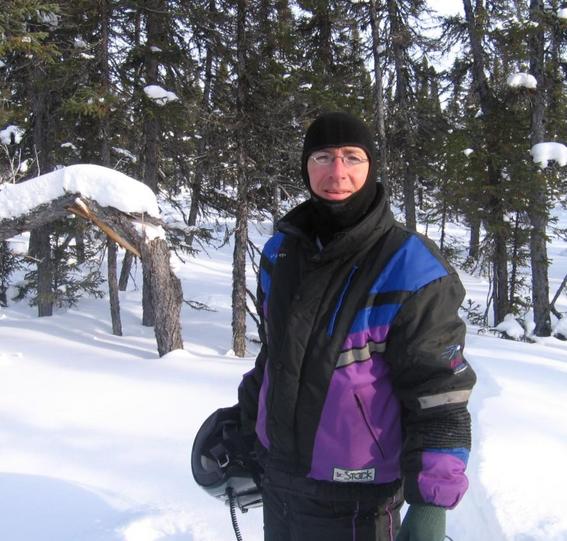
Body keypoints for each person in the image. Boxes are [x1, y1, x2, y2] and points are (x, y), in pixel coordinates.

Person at [237, 111, 476, 541]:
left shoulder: (411, 266)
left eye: (352, 157)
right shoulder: (281, 252)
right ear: (305, 166)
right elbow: (276, 358)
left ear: (372, 167)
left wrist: (430, 508)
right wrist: (243, 422)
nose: (337, 172)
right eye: (323, 157)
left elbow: (440, 396)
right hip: (280, 485)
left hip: (358, 505)